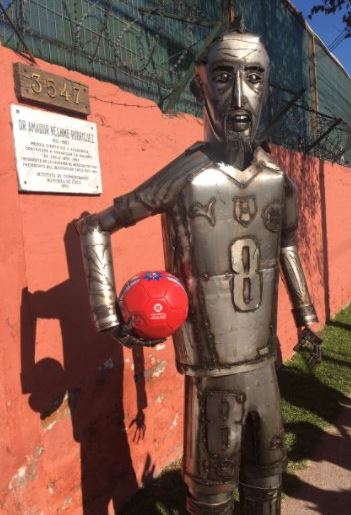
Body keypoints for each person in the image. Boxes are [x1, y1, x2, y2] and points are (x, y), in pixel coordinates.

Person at [76, 21, 318, 515]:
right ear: (201, 85)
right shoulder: (188, 177)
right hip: (211, 372)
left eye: (253, 77)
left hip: (264, 363)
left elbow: (287, 246)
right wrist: (109, 314)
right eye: (225, 76)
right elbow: (96, 226)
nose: (239, 95)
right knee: (209, 494)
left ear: (268, 86)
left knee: (268, 480)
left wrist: (306, 318)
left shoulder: (278, 180)